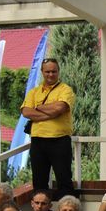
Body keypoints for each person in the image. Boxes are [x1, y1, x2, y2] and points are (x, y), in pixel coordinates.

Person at [20, 57, 76, 199]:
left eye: (54, 71)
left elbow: (60, 108)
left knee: (64, 180)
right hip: (38, 141)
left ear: (58, 72)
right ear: (42, 72)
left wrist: (38, 107)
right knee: (39, 181)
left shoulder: (65, 90)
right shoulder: (34, 92)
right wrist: (50, 112)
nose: (51, 75)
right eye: (47, 72)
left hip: (59, 140)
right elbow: (26, 112)